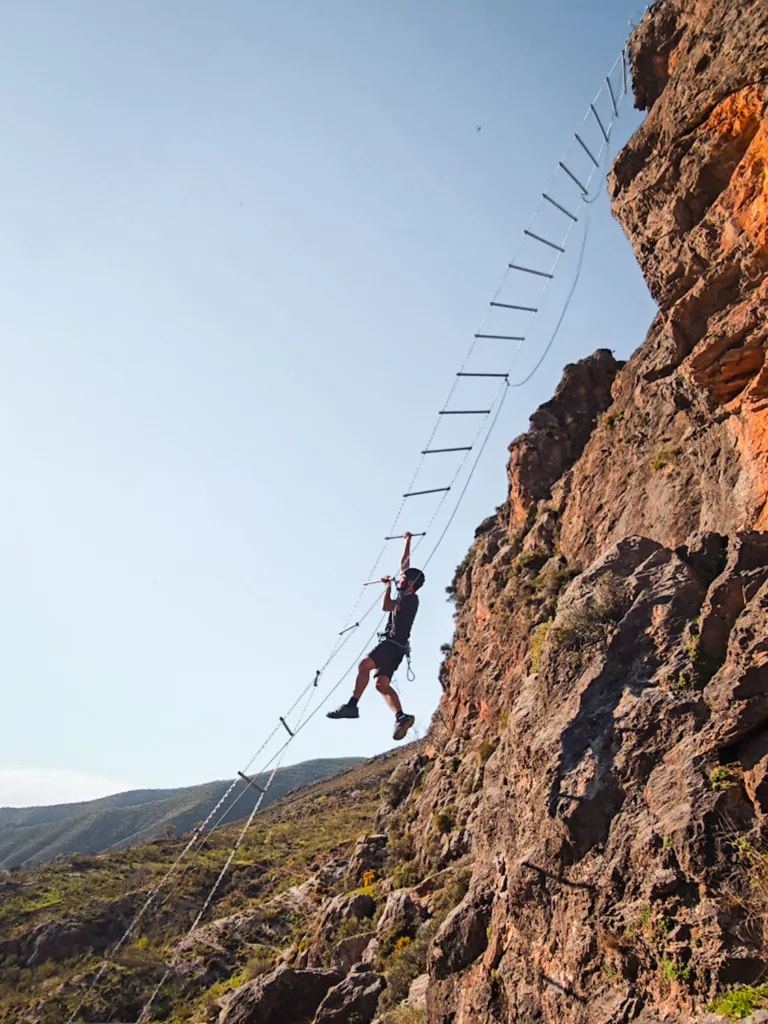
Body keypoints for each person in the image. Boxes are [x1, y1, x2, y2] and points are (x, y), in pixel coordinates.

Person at [327, 532, 425, 741]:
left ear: (410, 583)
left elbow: (386, 606)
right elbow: (404, 565)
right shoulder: (406, 594)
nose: (399, 579)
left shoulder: (410, 599)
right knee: (381, 684)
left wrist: (387, 588)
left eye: (402, 579)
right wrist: (407, 541)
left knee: (364, 665)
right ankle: (401, 717)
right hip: (398, 649)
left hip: (392, 644)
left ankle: (352, 706)